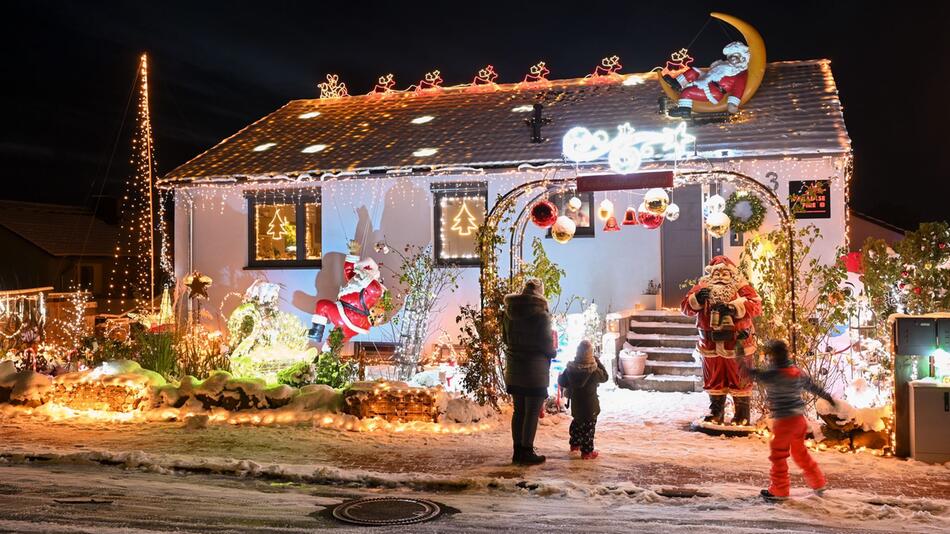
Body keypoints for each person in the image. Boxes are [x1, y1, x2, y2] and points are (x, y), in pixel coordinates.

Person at [736, 338, 836, 500]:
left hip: (784, 422)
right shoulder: (796, 372)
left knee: (778, 455)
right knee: (800, 453)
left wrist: (740, 357)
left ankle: (779, 490)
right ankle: (818, 482)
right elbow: (813, 387)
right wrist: (828, 397)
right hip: (799, 421)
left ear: (774, 357)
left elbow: (750, 373)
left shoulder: (773, 374)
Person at [681, 256, 761, 425]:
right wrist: (697, 299)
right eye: (716, 272)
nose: (720, 275)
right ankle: (715, 412)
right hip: (710, 345)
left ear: (731, 273)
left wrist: (734, 307)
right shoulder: (702, 287)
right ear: (710, 273)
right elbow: (685, 308)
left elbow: (756, 306)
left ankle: (742, 415)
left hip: (736, 343)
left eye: (724, 272)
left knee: (739, 378)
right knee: (714, 379)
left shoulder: (741, 287)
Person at [502, 278, 557, 465]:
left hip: (514, 368)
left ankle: (517, 451)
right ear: (540, 293)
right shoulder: (541, 316)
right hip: (535, 370)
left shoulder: (508, 313)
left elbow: (504, 338)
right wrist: (552, 351)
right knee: (532, 412)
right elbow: (546, 344)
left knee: (519, 411)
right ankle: (527, 451)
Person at [557, 340, 608, 459]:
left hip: (576, 405)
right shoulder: (594, 371)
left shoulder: (570, 369)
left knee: (577, 423)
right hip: (591, 407)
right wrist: (598, 362)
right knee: (588, 429)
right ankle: (587, 452)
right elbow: (605, 377)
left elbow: (562, 381)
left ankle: (574, 444)